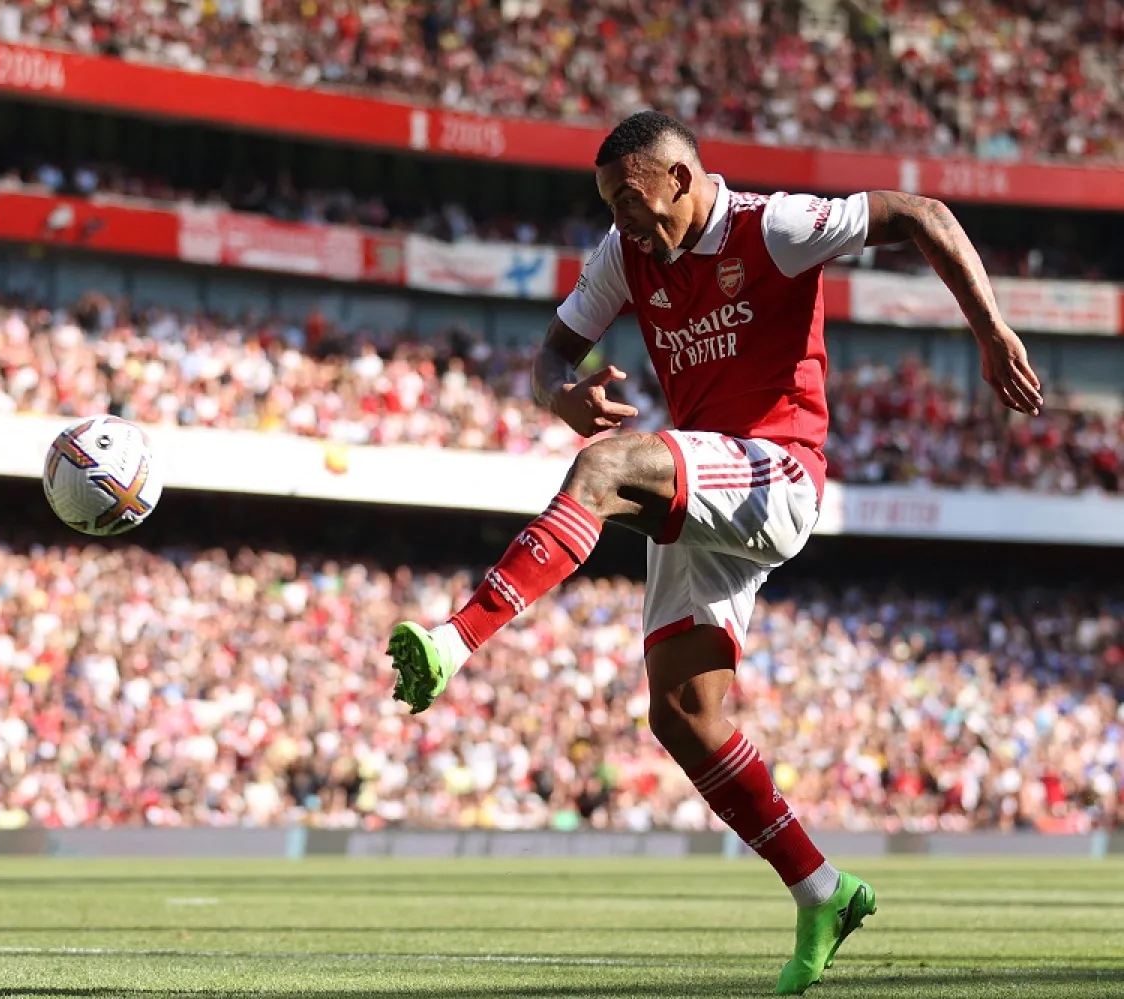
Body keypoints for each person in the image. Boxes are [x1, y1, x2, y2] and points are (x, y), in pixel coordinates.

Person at [385, 111, 1042, 995]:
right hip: (708, 482)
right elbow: (550, 355)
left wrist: (990, 330)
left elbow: (920, 211)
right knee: (682, 714)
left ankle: (455, 639)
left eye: (633, 199)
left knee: (609, 467)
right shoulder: (625, 257)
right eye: (611, 204)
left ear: (681, 180)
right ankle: (823, 891)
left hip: (779, 472)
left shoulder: (770, 228)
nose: (623, 220)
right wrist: (559, 393)